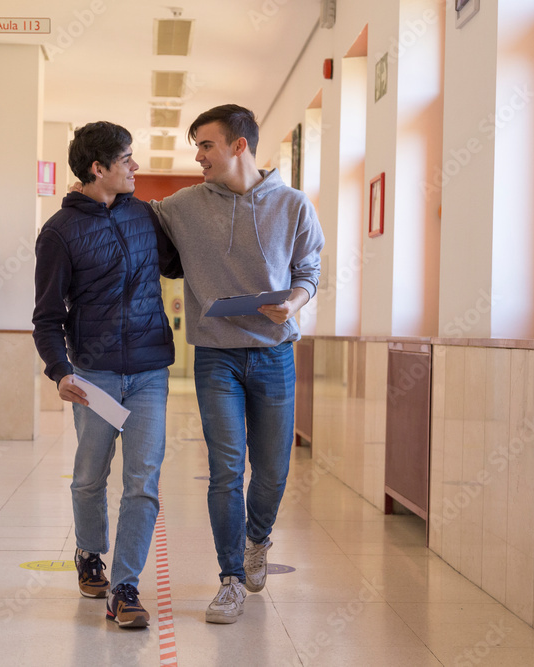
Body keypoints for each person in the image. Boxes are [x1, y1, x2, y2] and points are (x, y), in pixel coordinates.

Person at [150, 104, 325, 623]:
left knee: (271, 471)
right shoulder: (182, 205)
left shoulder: (293, 205)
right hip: (216, 357)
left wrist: (294, 302)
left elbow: (309, 269)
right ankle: (228, 578)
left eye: (205, 145)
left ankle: (257, 539)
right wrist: (89, 197)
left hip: (274, 354)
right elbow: (138, 220)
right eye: (197, 146)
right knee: (226, 470)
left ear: (238, 145)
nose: (198, 156)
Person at [31, 121, 179, 629]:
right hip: (93, 374)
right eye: (127, 158)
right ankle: (89, 553)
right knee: (90, 476)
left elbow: (178, 265)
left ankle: (125, 587)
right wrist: (59, 370)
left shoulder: (144, 217)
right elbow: (47, 316)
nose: (135, 166)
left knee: (143, 481)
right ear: (99, 168)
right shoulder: (59, 232)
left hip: (148, 370)